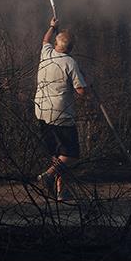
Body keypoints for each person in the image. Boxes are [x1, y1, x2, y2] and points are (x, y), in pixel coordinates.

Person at [34, 17, 87, 201]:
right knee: (71, 155)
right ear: (71, 48)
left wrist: (52, 27)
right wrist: (85, 80)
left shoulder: (46, 53)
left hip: (42, 111)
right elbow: (80, 91)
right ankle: (47, 176)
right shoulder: (70, 63)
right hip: (61, 114)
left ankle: (61, 192)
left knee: (58, 155)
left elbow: (45, 40)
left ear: (56, 43)